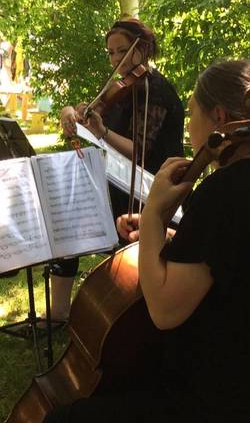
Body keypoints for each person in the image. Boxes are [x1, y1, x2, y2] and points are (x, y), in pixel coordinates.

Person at [45, 60, 250, 423]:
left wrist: (157, 215)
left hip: (231, 404)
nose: (189, 125)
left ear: (218, 118)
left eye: (193, 114)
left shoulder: (225, 191)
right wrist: (168, 236)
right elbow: (233, 259)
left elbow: (163, 311)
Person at [50, 18, 185, 320]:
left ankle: (110, 312)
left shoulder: (157, 92)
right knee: (67, 212)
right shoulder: (122, 88)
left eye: (122, 51)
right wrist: (71, 112)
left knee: (74, 214)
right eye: (110, 53)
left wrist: (104, 133)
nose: (115, 60)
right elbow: (90, 117)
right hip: (123, 180)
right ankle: (58, 311)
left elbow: (141, 152)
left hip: (153, 189)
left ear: (144, 49)